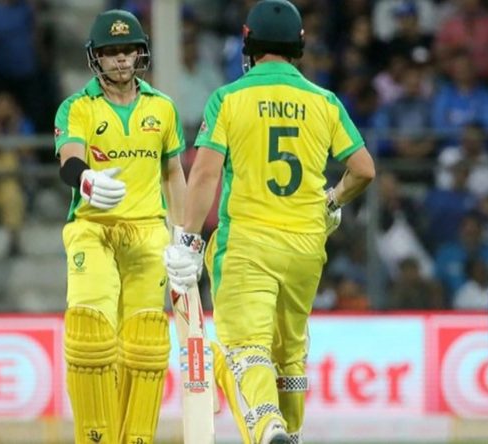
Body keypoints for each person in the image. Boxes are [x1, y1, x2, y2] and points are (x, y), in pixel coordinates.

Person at [164, 1, 375, 443]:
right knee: (290, 353)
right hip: (305, 247)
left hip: (248, 244)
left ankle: (267, 425)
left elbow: (204, 174)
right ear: (299, 45)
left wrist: (188, 239)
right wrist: (331, 202)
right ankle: (291, 434)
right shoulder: (324, 101)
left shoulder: (228, 98)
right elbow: (363, 170)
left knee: (248, 346)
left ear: (249, 43)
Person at [54, 9, 187, 444]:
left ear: (140, 52)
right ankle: (96, 437)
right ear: (96, 57)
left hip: (148, 232)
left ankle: (137, 439)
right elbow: (69, 159)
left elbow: (174, 174)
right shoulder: (78, 107)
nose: (122, 59)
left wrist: (185, 237)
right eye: (112, 52)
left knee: (145, 345)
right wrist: (86, 181)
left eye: (129, 49)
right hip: (92, 228)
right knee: (91, 335)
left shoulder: (162, 108)